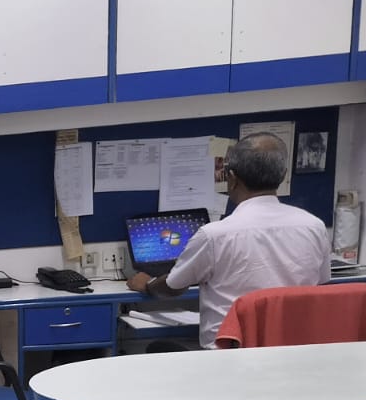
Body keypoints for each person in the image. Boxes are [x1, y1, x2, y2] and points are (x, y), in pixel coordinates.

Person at [127, 132, 329, 348]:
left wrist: (147, 285)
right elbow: (322, 284)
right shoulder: (314, 227)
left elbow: (173, 286)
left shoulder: (214, 235)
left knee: (157, 347)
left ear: (231, 178)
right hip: (293, 351)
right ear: (283, 175)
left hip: (230, 355)